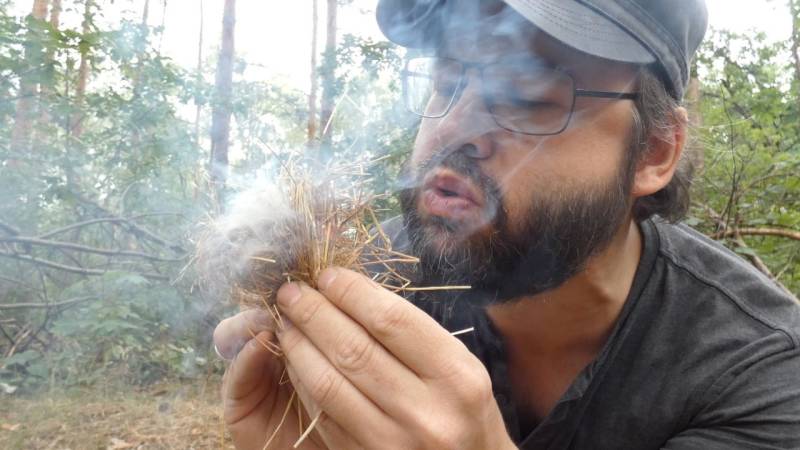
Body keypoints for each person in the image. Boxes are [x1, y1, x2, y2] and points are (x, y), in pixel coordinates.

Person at [212, 0, 800, 448]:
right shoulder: (367, 277)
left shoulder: (761, 374)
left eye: (523, 93)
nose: (451, 129)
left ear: (654, 152)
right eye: (446, 82)